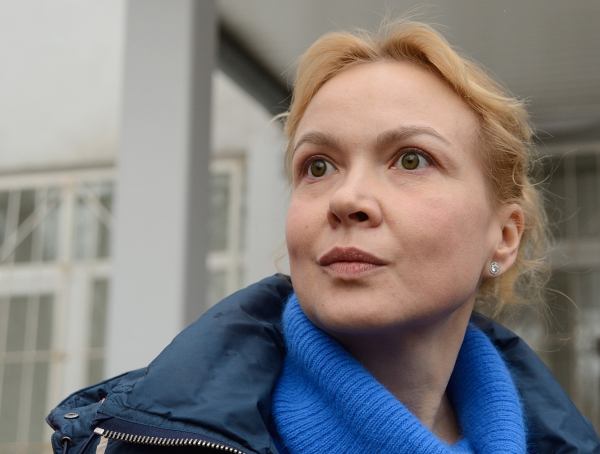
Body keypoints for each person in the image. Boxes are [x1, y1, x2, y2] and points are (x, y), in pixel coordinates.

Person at [48, 20, 600, 454]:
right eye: (318, 166)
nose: (345, 198)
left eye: (411, 159)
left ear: (503, 236)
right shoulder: (135, 439)